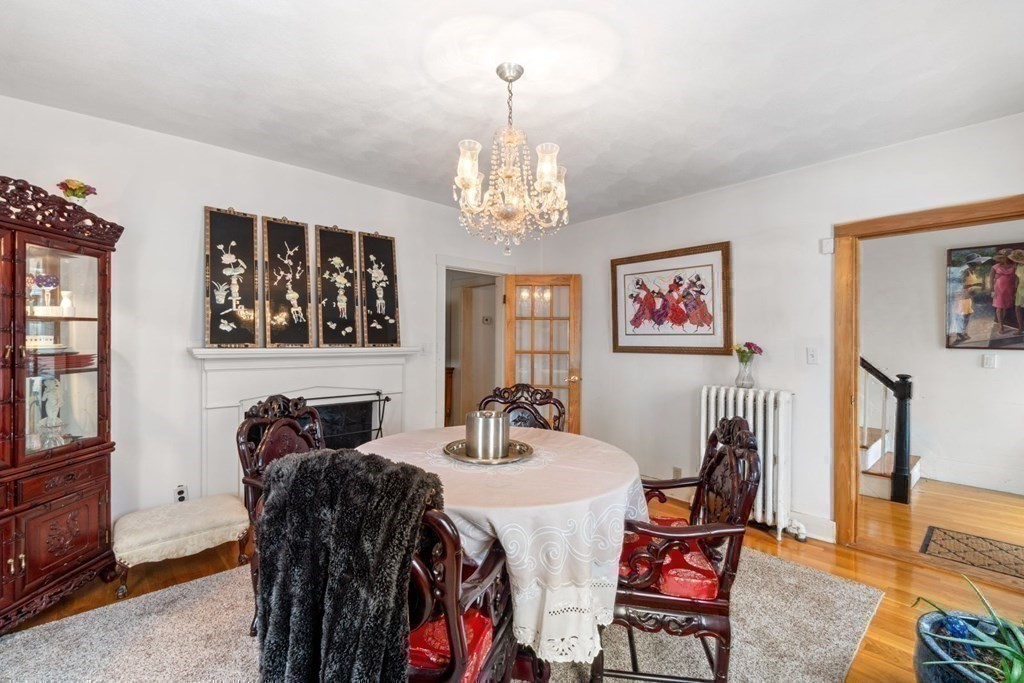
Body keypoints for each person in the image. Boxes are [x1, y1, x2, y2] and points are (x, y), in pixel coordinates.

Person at [947, 253, 987, 344]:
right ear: (972, 263)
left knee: (967, 315)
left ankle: (963, 331)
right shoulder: (965, 271)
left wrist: (972, 289)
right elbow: (959, 284)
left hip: (967, 296)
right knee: (960, 315)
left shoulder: (972, 271)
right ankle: (960, 333)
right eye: (977, 262)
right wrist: (975, 285)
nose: (979, 263)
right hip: (961, 296)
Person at [989, 249, 1019, 335]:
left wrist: (1015, 289)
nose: (1006, 258)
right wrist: (992, 290)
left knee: (1005, 307)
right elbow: (991, 280)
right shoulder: (995, 267)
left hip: (1010, 289)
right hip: (998, 289)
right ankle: (1001, 325)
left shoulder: (1014, 266)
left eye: (1008, 257)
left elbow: (1016, 278)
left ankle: (1001, 322)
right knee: (999, 308)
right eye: (1005, 257)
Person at [1010, 248, 1024, 335]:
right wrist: (1015, 290)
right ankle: (1020, 328)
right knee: (1017, 309)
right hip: (1020, 289)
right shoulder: (1018, 266)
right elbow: (1017, 279)